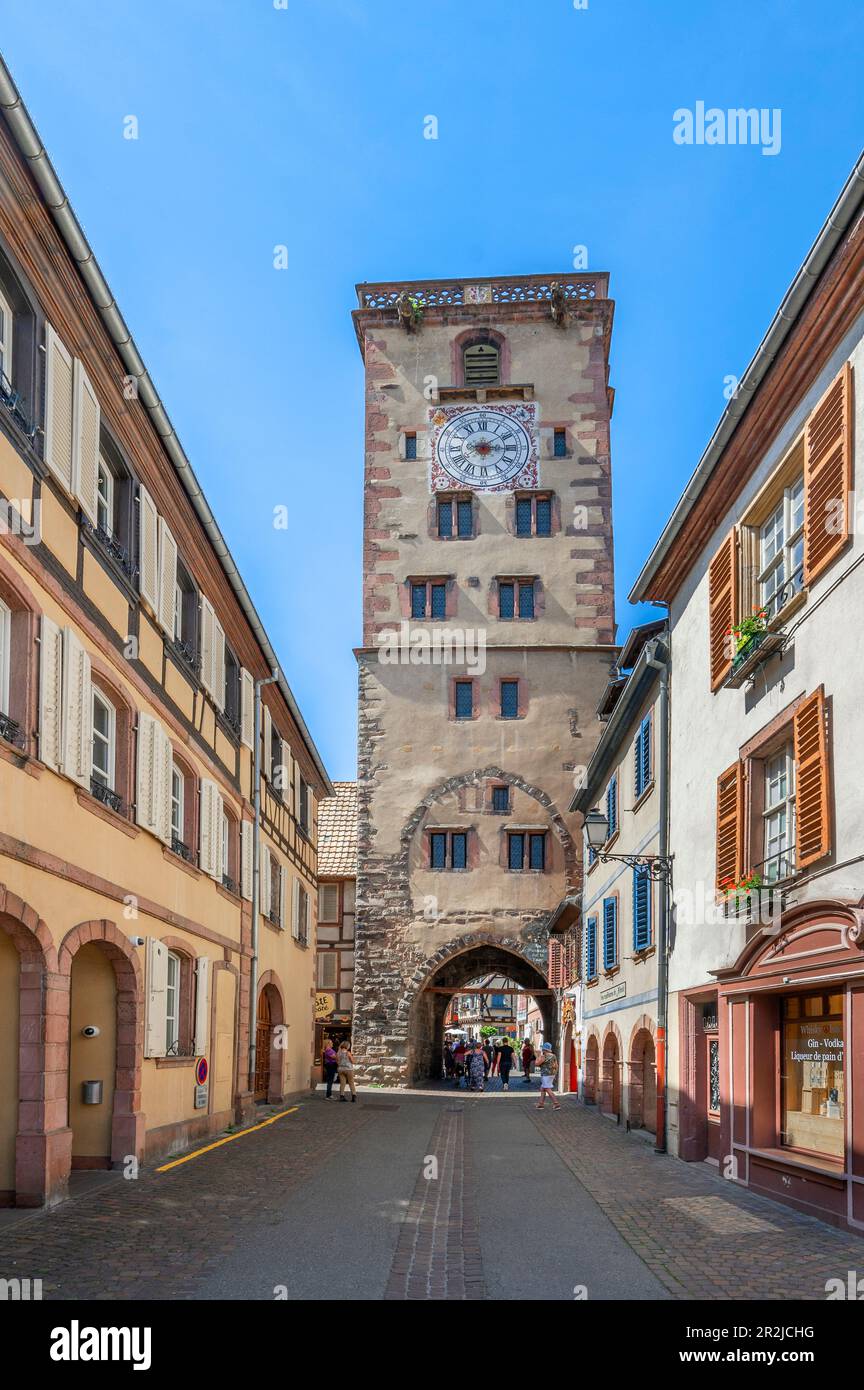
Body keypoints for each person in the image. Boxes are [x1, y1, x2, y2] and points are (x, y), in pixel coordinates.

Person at [536, 1042, 561, 1110]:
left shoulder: (544, 1056)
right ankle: (541, 1104)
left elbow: (537, 1063)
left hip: (545, 1075)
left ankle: (556, 1103)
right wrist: (555, 1073)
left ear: (544, 1049)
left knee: (547, 1088)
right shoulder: (553, 1056)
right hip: (552, 1074)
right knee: (543, 1088)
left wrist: (538, 1056)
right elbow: (556, 1065)